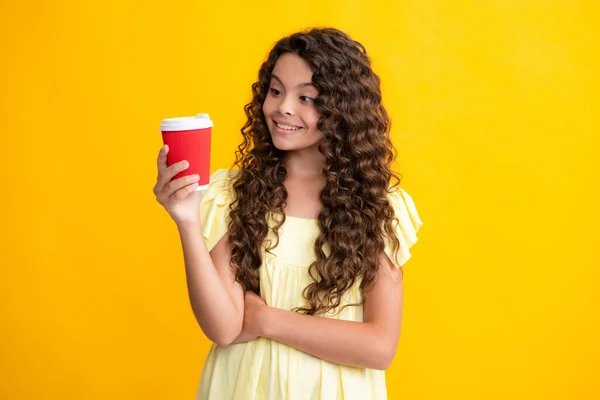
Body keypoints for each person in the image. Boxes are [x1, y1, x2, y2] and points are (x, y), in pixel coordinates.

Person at [153, 27, 423, 400]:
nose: (283, 107)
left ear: (342, 109)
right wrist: (185, 218)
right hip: (241, 387)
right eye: (276, 90)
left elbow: (379, 348)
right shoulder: (235, 194)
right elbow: (223, 328)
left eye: (307, 97)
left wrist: (268, 320)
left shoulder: (379, 206)